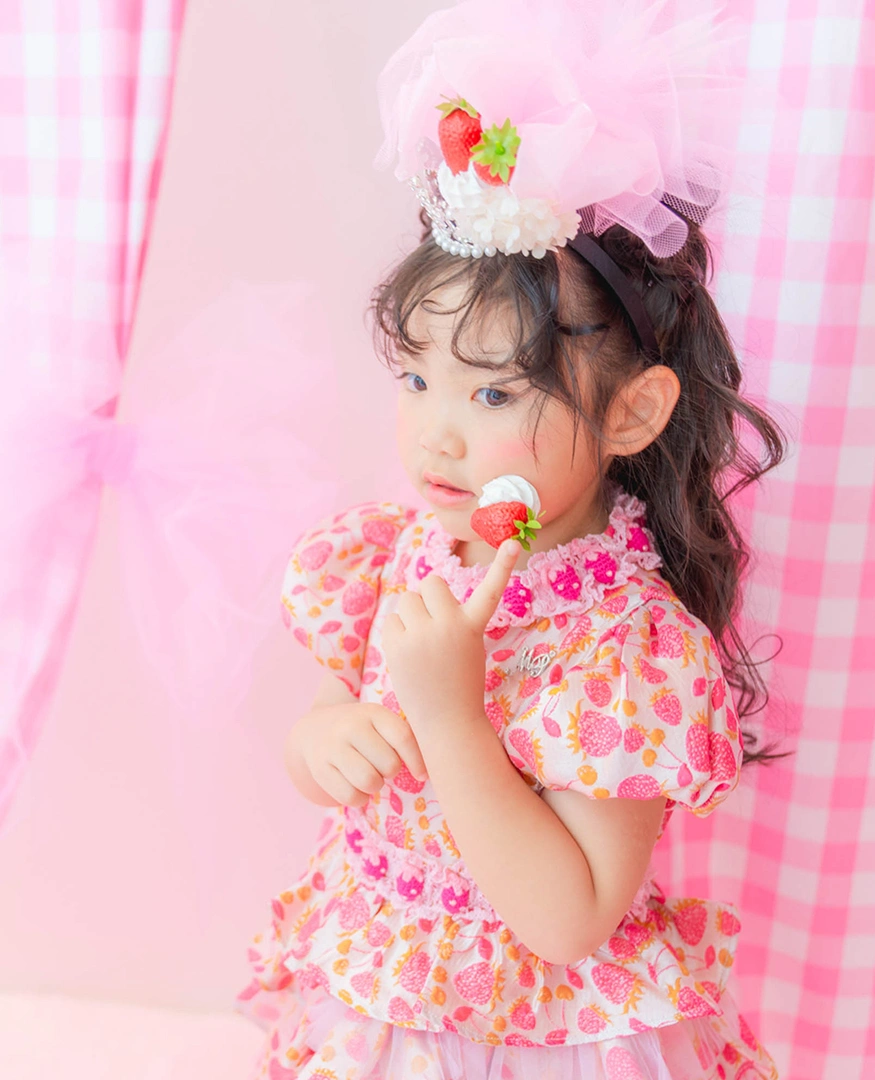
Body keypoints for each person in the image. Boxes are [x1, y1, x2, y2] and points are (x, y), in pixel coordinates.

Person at [235, 2, 791, 1076]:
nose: (436, 432)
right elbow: (326, 728)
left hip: (542, 1031)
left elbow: (570, 918)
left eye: (493, 392)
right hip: (386, 997)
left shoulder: (621, 647)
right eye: (417, 378)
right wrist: (328, 742)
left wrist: (451, 713)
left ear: (630, 413)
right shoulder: (396, 554)